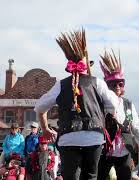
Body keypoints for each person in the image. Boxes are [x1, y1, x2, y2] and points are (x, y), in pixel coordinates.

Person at [34, 29, 120, 180]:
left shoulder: (61, 85)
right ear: (86, 65)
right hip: (94, 136)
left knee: (70, 177)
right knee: (91, 176)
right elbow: (114, 105)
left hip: (68, 137)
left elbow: (40, 107)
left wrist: (45, 129)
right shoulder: (97, 83)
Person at [97, 49, 139, 180]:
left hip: (124, 148)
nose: (117, 86)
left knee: (125, 176)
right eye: (113, 84)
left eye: (120, 83)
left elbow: (135, 125)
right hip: (105, 148)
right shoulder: (100, 104)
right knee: (100, 177)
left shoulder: (128, 104)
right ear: (107, 86)